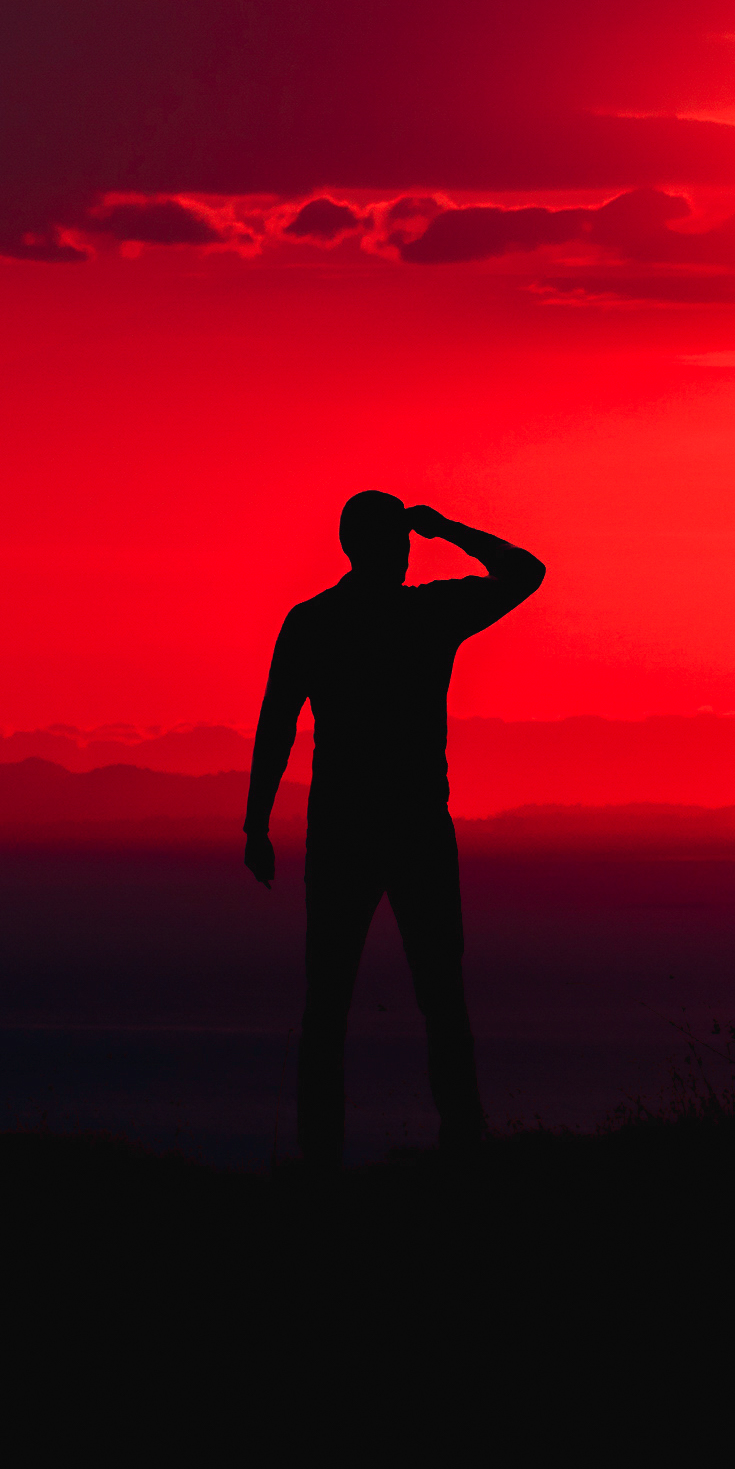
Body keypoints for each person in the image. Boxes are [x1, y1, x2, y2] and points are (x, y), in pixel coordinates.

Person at [245, 492, 546, 1169]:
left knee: (330, 1003)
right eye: (403, 541)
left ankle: (323, 1160)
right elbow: (525, 572)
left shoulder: (314, 622)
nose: (407, 553)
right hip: (414, 830)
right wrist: (449, 529)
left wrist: (255, 821)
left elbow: (275, 724)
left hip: (345, 831)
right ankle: (460, 1148)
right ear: (390, 546)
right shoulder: (426, 615)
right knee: (439, 996)